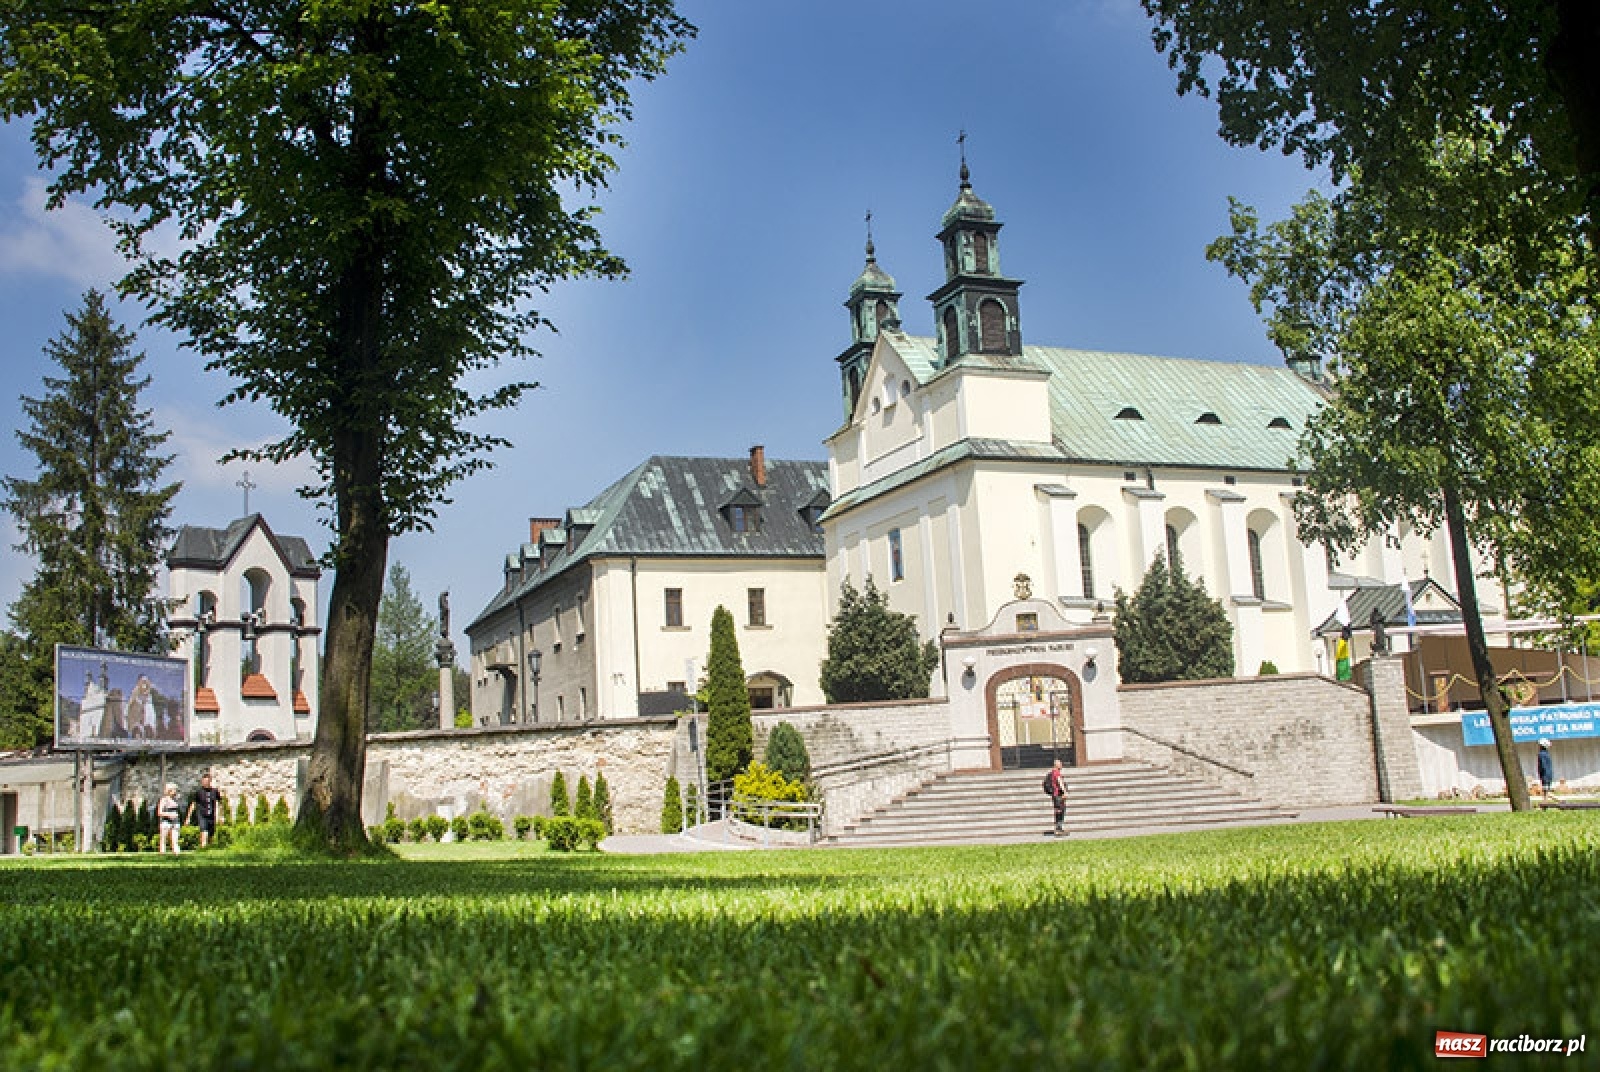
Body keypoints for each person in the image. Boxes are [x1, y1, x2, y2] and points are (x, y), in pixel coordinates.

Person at [186, 772, 222, 848]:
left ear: (210, 781)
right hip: (202, 815)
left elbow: (219, 803)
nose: (205, 783)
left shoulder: (214, 791)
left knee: (211, 833)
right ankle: (203, 847)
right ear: (202, 781)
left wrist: (221, 816)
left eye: (207, 781)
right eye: (204, 781)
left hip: (211, 815)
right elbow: (193, 804)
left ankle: (209, 848)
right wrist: (188, 817)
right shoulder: (198, 792)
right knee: (204, 830)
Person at [1044, 759, 1069, 836]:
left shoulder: (1052, 773)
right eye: (1060, 764)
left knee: (1058, 810)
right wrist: (1065, 792)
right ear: (1056, 765)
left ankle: (1058, 828)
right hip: (1058, 795)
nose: (1061, 765)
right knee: (1060, 811)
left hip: (1055, 795)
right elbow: (1060, 782)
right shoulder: (1056, 773)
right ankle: (1058, 829)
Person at [158, 783, 182, 854]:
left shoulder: (175, 800)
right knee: (163, 839)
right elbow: (159, 812)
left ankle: (176, 853)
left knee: (175, 838)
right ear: (169, 790)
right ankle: (162, 852)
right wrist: (169, 815)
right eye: (174, 790)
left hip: (175, 821)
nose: (176, 791)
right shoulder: (164, 800)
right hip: (166, 821)